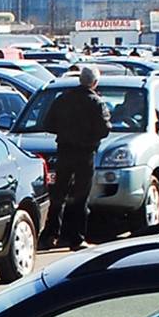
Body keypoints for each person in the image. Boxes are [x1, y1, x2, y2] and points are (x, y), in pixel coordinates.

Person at [39, 66, 110, 251]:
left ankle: (50, 235)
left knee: (58, 194)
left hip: (64, 151)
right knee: (80, 196)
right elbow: (104, 129)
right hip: (85, 153)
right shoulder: (96, 103)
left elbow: (48, 124)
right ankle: (76, 238)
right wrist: (87, 135)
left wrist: (66, 132)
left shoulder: (63, 99)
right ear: (94, 83)